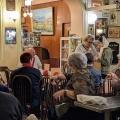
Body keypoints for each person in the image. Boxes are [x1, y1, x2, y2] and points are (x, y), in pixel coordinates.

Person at [50, 52, 100, 120]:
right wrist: (57, 76)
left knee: (54, 115)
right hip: (81, 109)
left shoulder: (80, 74)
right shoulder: (83, 71)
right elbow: (68, 75)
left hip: (79, 111)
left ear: (73, 65)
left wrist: (64, 92)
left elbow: (82, 94)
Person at [9, 52, 42, 118]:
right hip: (33, 98)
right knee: (39, 96)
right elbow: (42, 85)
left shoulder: (14, 73)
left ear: (21, 61)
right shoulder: (37, 72)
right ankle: (36, 116)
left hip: (18, 98)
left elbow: (10, 88)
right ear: (30, 60)